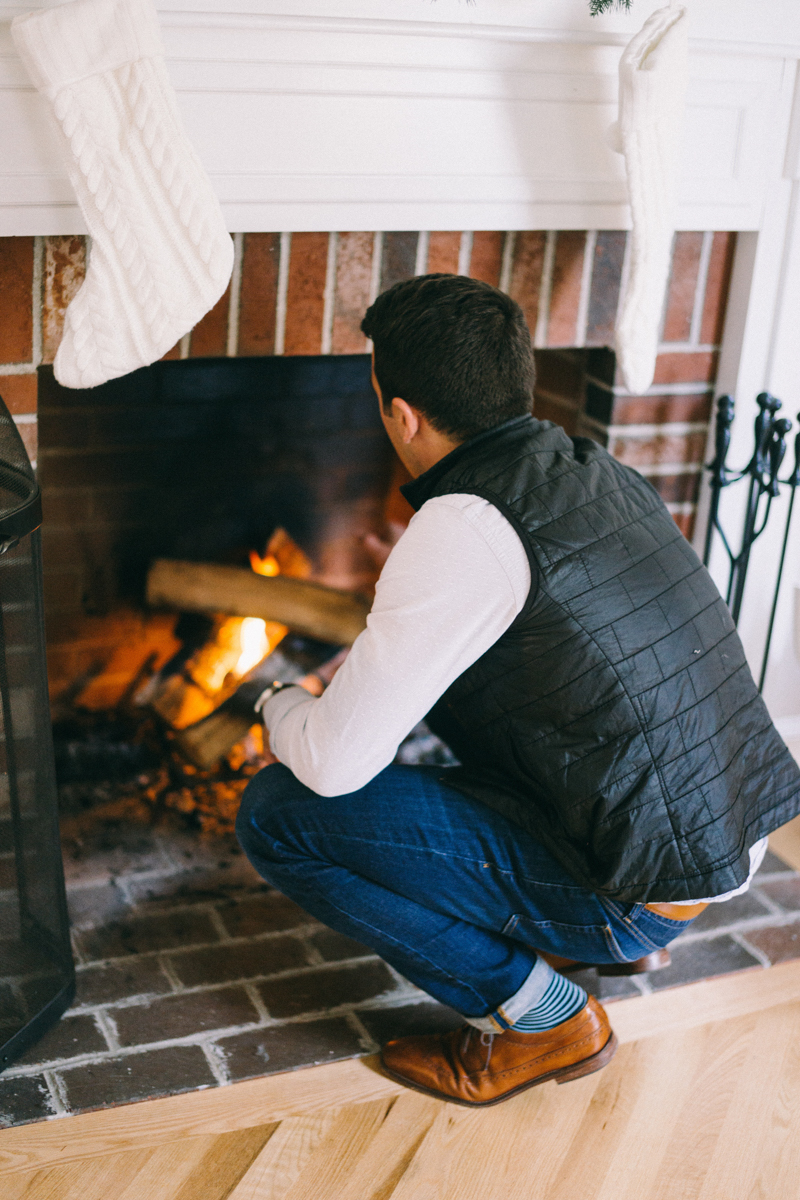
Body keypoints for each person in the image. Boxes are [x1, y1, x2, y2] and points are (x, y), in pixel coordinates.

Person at [236, 273, 800, 1108]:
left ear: (403, 416)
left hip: (636, 886)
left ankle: (542, 1017)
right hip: (719, 837)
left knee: (279, 815)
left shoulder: (462, 527)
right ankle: (583, 947)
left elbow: (331, 764)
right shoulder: (587, 466)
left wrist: (269, 701)